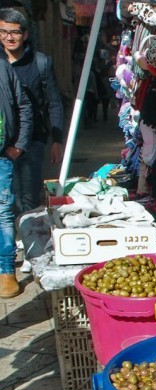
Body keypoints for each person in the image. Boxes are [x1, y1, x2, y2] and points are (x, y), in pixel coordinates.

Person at [0, 7, 63, 216]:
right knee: (5, 203)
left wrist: (57, 140)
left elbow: (54, 102)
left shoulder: (40, 62)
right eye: (4, 32)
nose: (9, 37)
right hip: (2, 143)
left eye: (15, 32)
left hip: (33, 141)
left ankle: (28, 235)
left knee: (28, 200)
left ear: (25, 34)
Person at [0, 36, 31, 298]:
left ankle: (6, 271)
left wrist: (19, 144)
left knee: (3, 213)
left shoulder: (3, 67)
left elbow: (23, 106)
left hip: (2, 154)